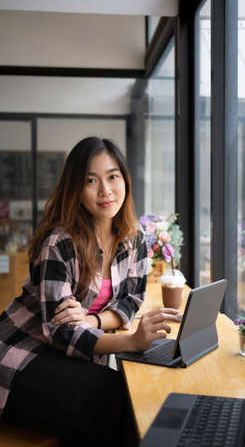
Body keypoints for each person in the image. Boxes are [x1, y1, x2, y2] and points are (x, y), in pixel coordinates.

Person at [0, 137, 180, 446]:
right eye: (91, 181)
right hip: (21, 356)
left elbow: (132, 298)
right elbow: (59, 333)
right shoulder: (60, 243)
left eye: (113, 176)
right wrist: (130, 340)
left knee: (126, 397)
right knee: (114, 399)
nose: (105, 191)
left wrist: (92, 321)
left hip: (71, 357)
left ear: (125, 178)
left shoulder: (133, 237)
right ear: (76, 189)